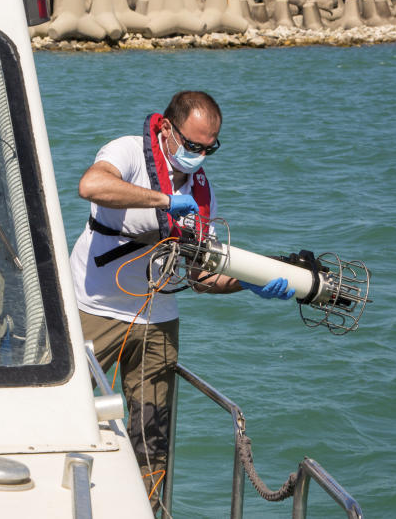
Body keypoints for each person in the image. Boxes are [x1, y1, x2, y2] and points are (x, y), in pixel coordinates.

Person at [69, 90, 294, 508]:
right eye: (193, 146)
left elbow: (201, 277)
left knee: (152, 442)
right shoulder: (129, 152)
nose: (200, 157)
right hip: (92, 308)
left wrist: (249, 283)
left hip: (158, 321)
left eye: (210, 148)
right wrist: (164, 200)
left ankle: (143, 510)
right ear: (168, 130)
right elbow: (91, 185)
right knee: (69, 416)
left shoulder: (202, 191)